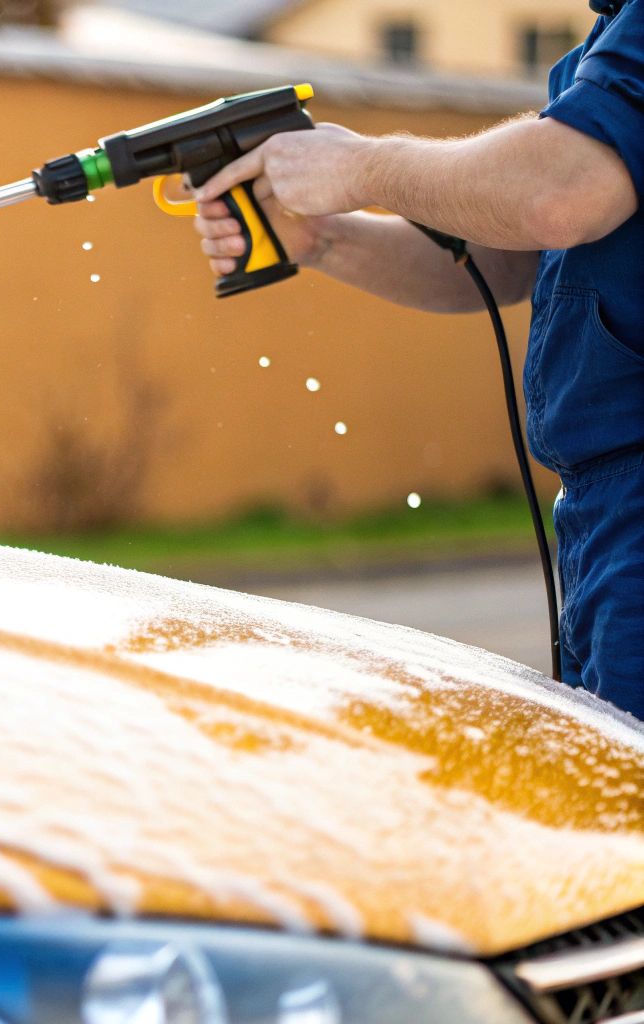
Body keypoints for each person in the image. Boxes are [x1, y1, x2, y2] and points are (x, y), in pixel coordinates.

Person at [188, 3, 644, 710]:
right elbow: (517, 257)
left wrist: (361, 164)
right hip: (602, 514)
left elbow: (559, 194)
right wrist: (326, 238)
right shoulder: (607, 36)